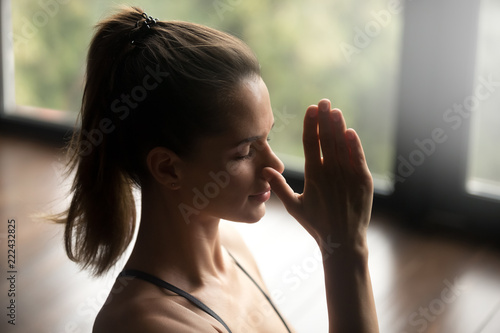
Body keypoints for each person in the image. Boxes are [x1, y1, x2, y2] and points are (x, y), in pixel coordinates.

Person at [57, 6, 379, 333]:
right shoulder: (145, 324)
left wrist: (339, 240)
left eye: (268, 138)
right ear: (168, 169)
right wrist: (345, 249)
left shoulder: (230, 246)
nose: (275, 165)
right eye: (244, 152)